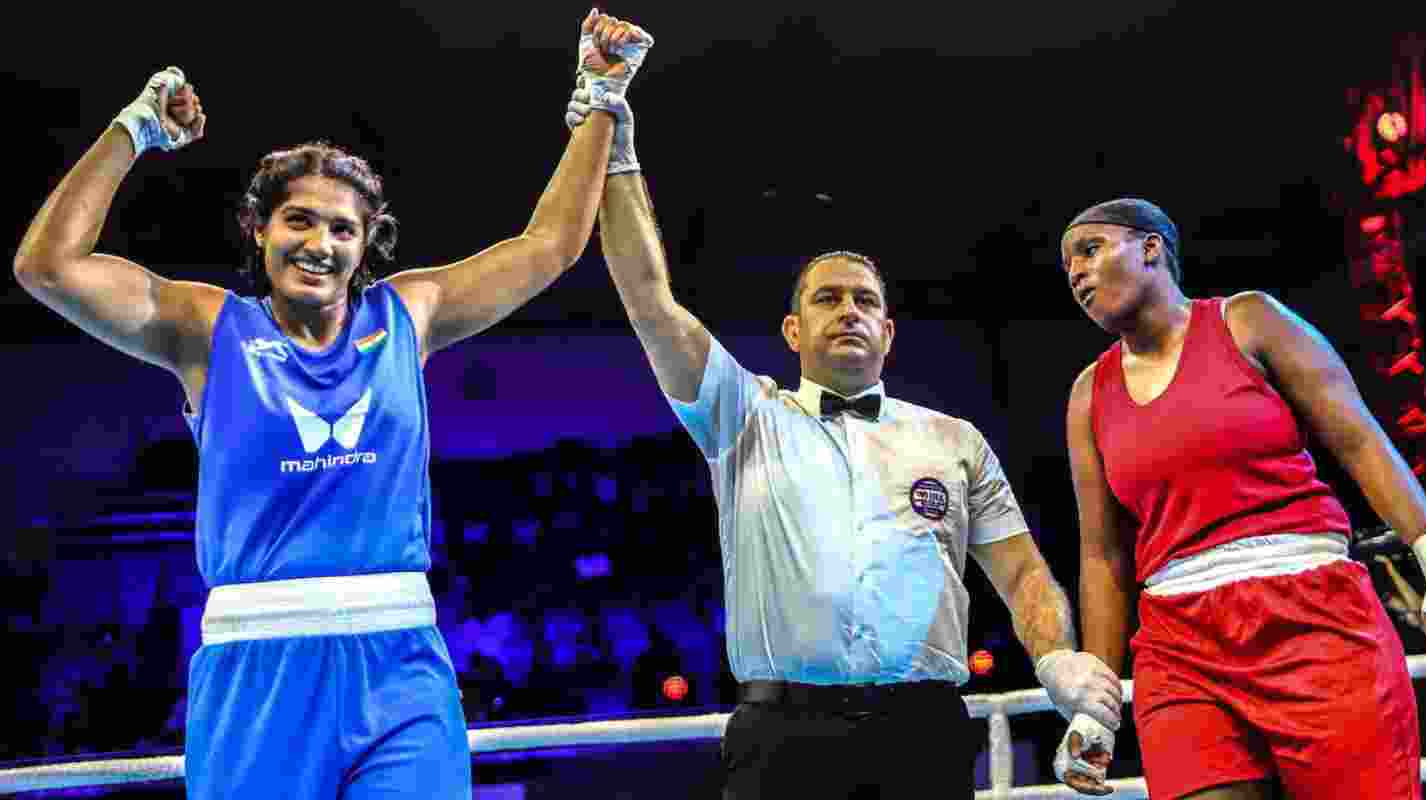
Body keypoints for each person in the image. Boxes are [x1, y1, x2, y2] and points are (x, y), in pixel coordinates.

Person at [13, 10, 650, 797]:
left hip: (400, 666)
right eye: (300, 220)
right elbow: (47, 266)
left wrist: (601, 94)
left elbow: (548, 245)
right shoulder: (206, 329)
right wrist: (134, 129)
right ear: (259, 230)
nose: (320, 242)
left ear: (366, 242)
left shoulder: (409, 315)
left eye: (343, 228)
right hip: (258, 670)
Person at [565, 16, 1124, 799]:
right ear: (793, 330)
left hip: (923, 736)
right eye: (828, 299)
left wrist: (1056, 657)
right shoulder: (744, 417)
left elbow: (1024, 572)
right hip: (781, 740)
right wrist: (613, 132)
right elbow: (652, 302)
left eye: (866, 301)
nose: (849, 311)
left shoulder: (953, 440)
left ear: (890, 331)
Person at [1054, 198, 1426, 798]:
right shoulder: (1089, 394)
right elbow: (1102, 555)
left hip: (1315, 617)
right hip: (1180, 644)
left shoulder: (1251, 321)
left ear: (1152, 247)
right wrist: (1097, 702)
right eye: (1068, 268)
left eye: (1090, 250)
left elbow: (1360, 441)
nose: (1077, 274)